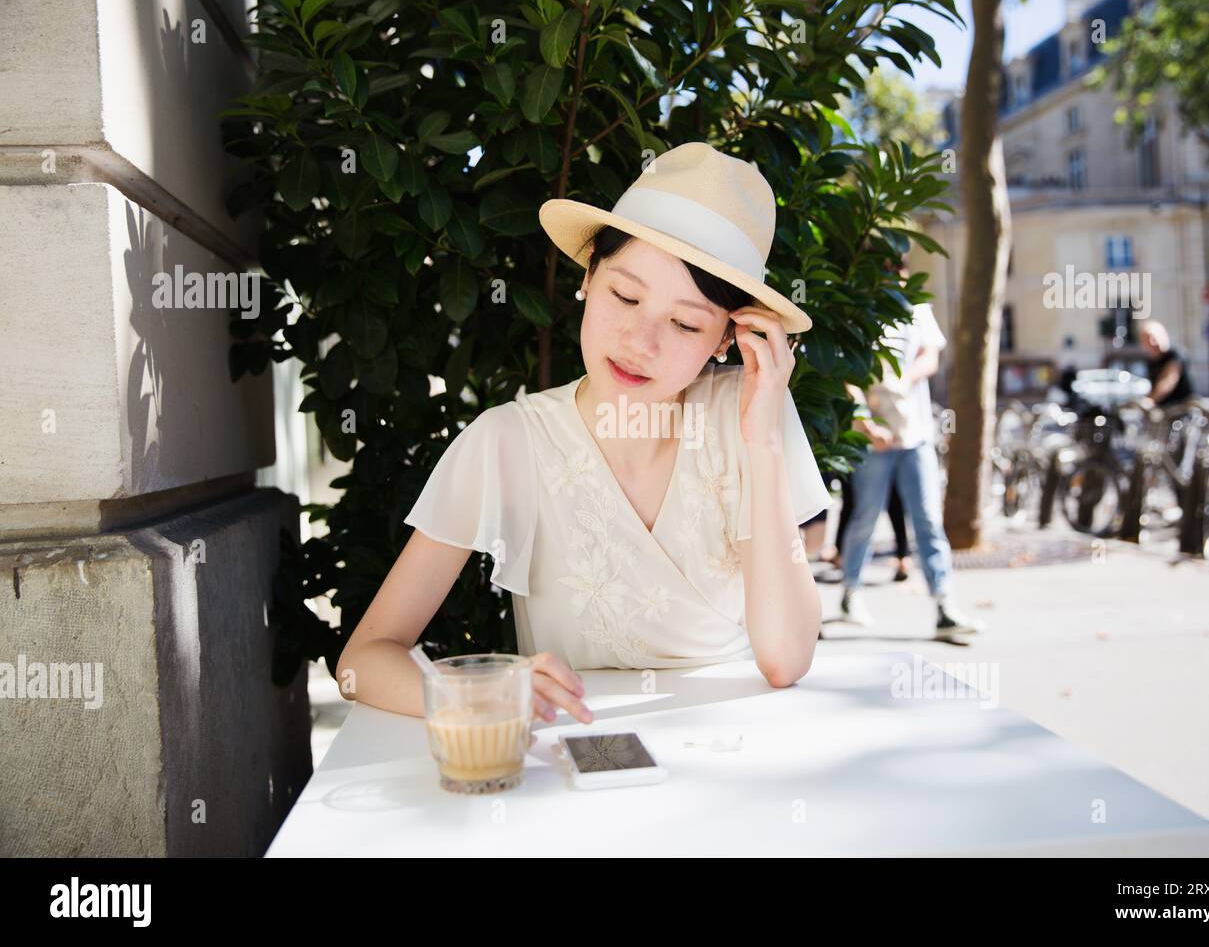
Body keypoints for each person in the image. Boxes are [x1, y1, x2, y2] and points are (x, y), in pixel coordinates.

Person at [336, 143, 832, 722]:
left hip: (733, 746)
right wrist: (491, 693)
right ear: (589, 275)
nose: (639, 342)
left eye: (685, 323)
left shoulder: (750, 413)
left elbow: (786, 659)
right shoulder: (508, 441)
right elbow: (362, 661)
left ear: (727, 338)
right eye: (625, 295)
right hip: (571, 754)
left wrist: (763, 441)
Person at [837, 278, 981, 643]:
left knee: (929, 520)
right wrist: (867, 425)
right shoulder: (861, 312)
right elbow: (847, 376)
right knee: (864, 518)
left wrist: (903, 378)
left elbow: (930, 355)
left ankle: (944, 605)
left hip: (915, 435)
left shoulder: (916, 309)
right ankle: (850, 594)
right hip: (874, 442)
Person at [1139, 320, 1195, 407]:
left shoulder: (1175, 354)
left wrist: (1151, 400)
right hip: (1164, 408)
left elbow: (1169, 380)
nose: (1152, 342)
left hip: (1183, 407)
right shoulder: (1150, 360)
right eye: (1147, 340)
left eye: (1153, 337)